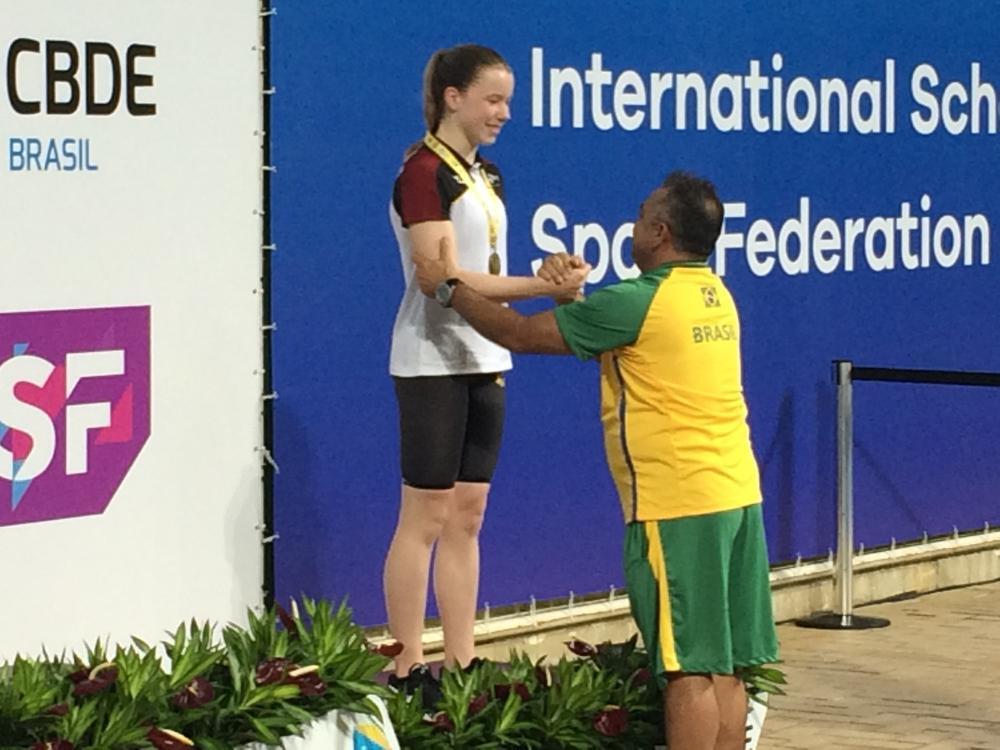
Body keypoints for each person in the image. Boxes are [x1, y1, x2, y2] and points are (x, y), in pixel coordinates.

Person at [414, 171, 780, 750]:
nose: (632, 226)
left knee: (685, 670)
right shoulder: (713, 294)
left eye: (640, 216)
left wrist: (446, 287)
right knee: (726, 664)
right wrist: (568, 298)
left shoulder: (640, 301)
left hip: (677, 508)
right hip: (737, 497)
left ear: (659, 232)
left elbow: (520, 334)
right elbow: (624, 340)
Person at [383, 43, 587, 696]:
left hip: (486, 355)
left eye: (508, 101)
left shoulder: (488, 176)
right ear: (453, 98)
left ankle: (464, 660)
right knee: (426, 517)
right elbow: (440, 274)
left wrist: (550, 275)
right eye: (493, 99)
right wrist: (538, 285)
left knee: (468, 515)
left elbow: (484, 270)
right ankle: (406, 663)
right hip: (430, 359)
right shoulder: (422, 172)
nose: (504, 113)